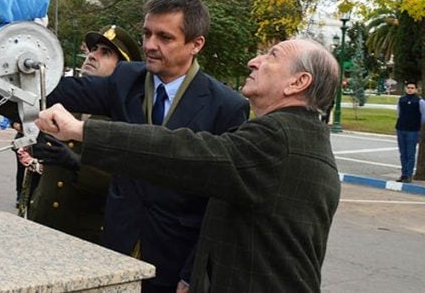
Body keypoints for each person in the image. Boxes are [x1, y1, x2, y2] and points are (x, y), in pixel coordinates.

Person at [37, 39, 342, 292]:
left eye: (271, 56)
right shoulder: (296, 136)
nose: (254, 61)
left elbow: (184, 153)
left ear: (298, 82)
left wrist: (82, 131)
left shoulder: (278, 139)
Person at [43, 0, 250, 292]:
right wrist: (8, 71)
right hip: (117, 246)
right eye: (147, 33)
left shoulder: (226, 107)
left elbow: (222, 205)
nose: (150, 45)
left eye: (164, 37)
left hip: (174, 258)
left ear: (196, 44)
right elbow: (62, 90)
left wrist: (193, 272)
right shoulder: (125, 79)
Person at [28, 24, 142, 244]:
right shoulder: (66, 103)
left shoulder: (126, 117)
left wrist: (77, 163)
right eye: (93, 49)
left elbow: (127, 180)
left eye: (105, 53)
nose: (92, 56)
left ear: (124, 70)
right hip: (43, 222)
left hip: (86, 234)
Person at [395, 81, 425, 183]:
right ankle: (403, 174)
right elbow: (398, 113)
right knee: (403, 153)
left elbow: (423, 116)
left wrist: (416, 125)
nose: (410, 89)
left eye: (412, 88)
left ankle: (408, 175)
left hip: (413, 131)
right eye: (408, 87)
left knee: (410, 153)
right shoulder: (401, 100)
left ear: (416, 89)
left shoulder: (420, 101)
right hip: (401, 129)